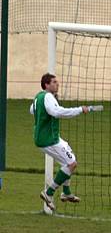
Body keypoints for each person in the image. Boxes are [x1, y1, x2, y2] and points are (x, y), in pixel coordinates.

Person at [31, 73, 90, 211]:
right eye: (54, 82)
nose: (57, 84)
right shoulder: (47, 97)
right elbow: (56, 112)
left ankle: (66, 192)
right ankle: (48, 193)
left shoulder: (38, 97)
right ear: (46, 84)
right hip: (48, 139)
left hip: (50, 137)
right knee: (71, 163)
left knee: (70, 158)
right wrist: (79, 109)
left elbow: (31, 110)